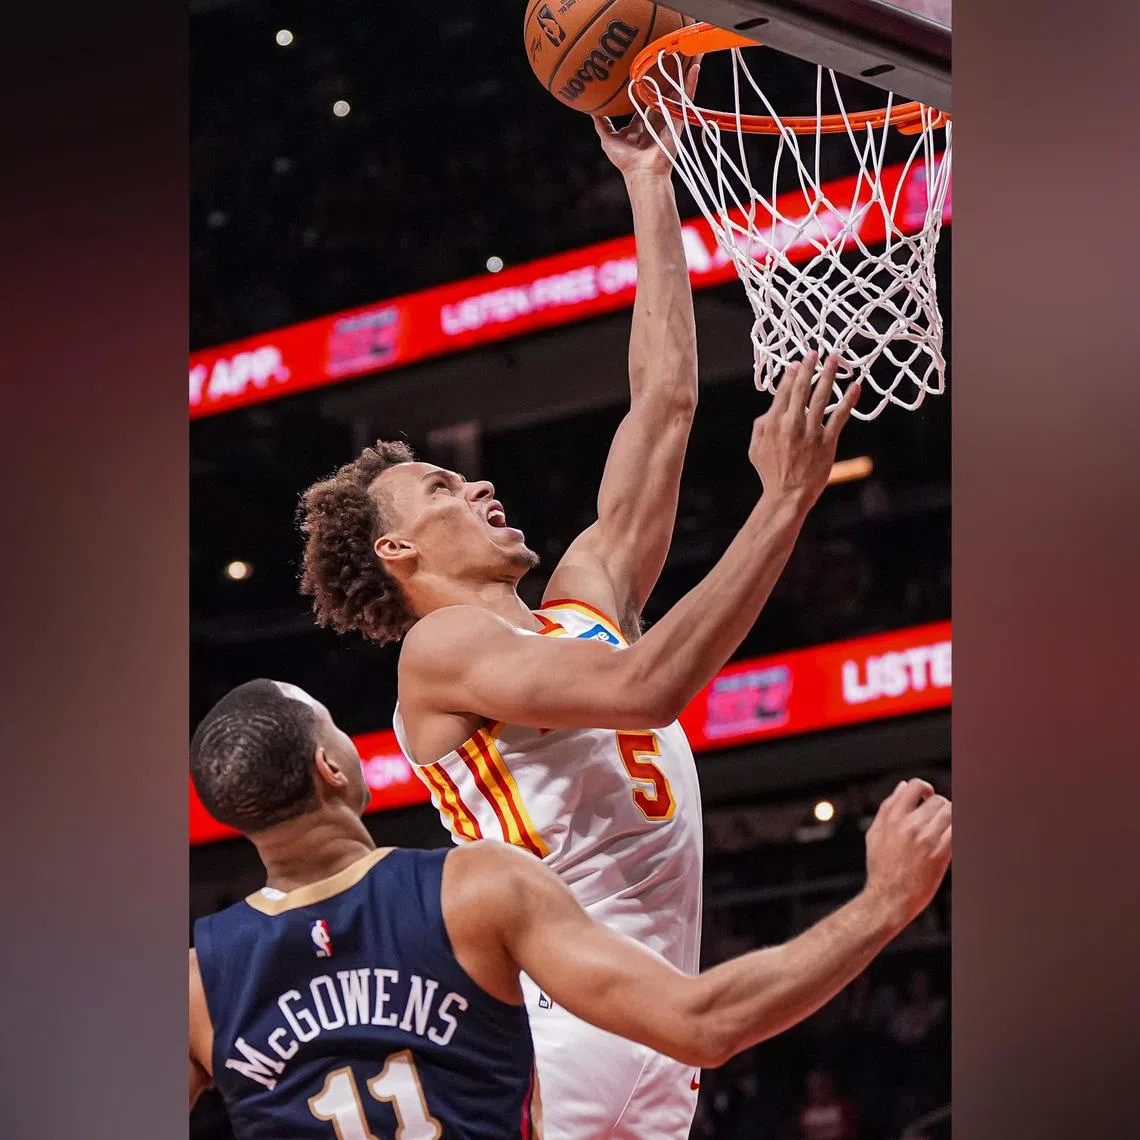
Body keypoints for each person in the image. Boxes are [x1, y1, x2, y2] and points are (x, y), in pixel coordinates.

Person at [295, 57, 861, 1140]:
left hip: (651, 1024)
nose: (480, 485)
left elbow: (667, 398)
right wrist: (782, 505)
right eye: (445, 488)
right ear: (401, 549)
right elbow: (648, 690)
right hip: (557, 1029)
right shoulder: (441, 654)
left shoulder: (583, 594)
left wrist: (650, 181)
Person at [188, 679, 952, 1139]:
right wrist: (884, 903)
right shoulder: (475, 888)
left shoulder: (198, 983)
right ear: (332, 764)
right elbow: (703, 1023)